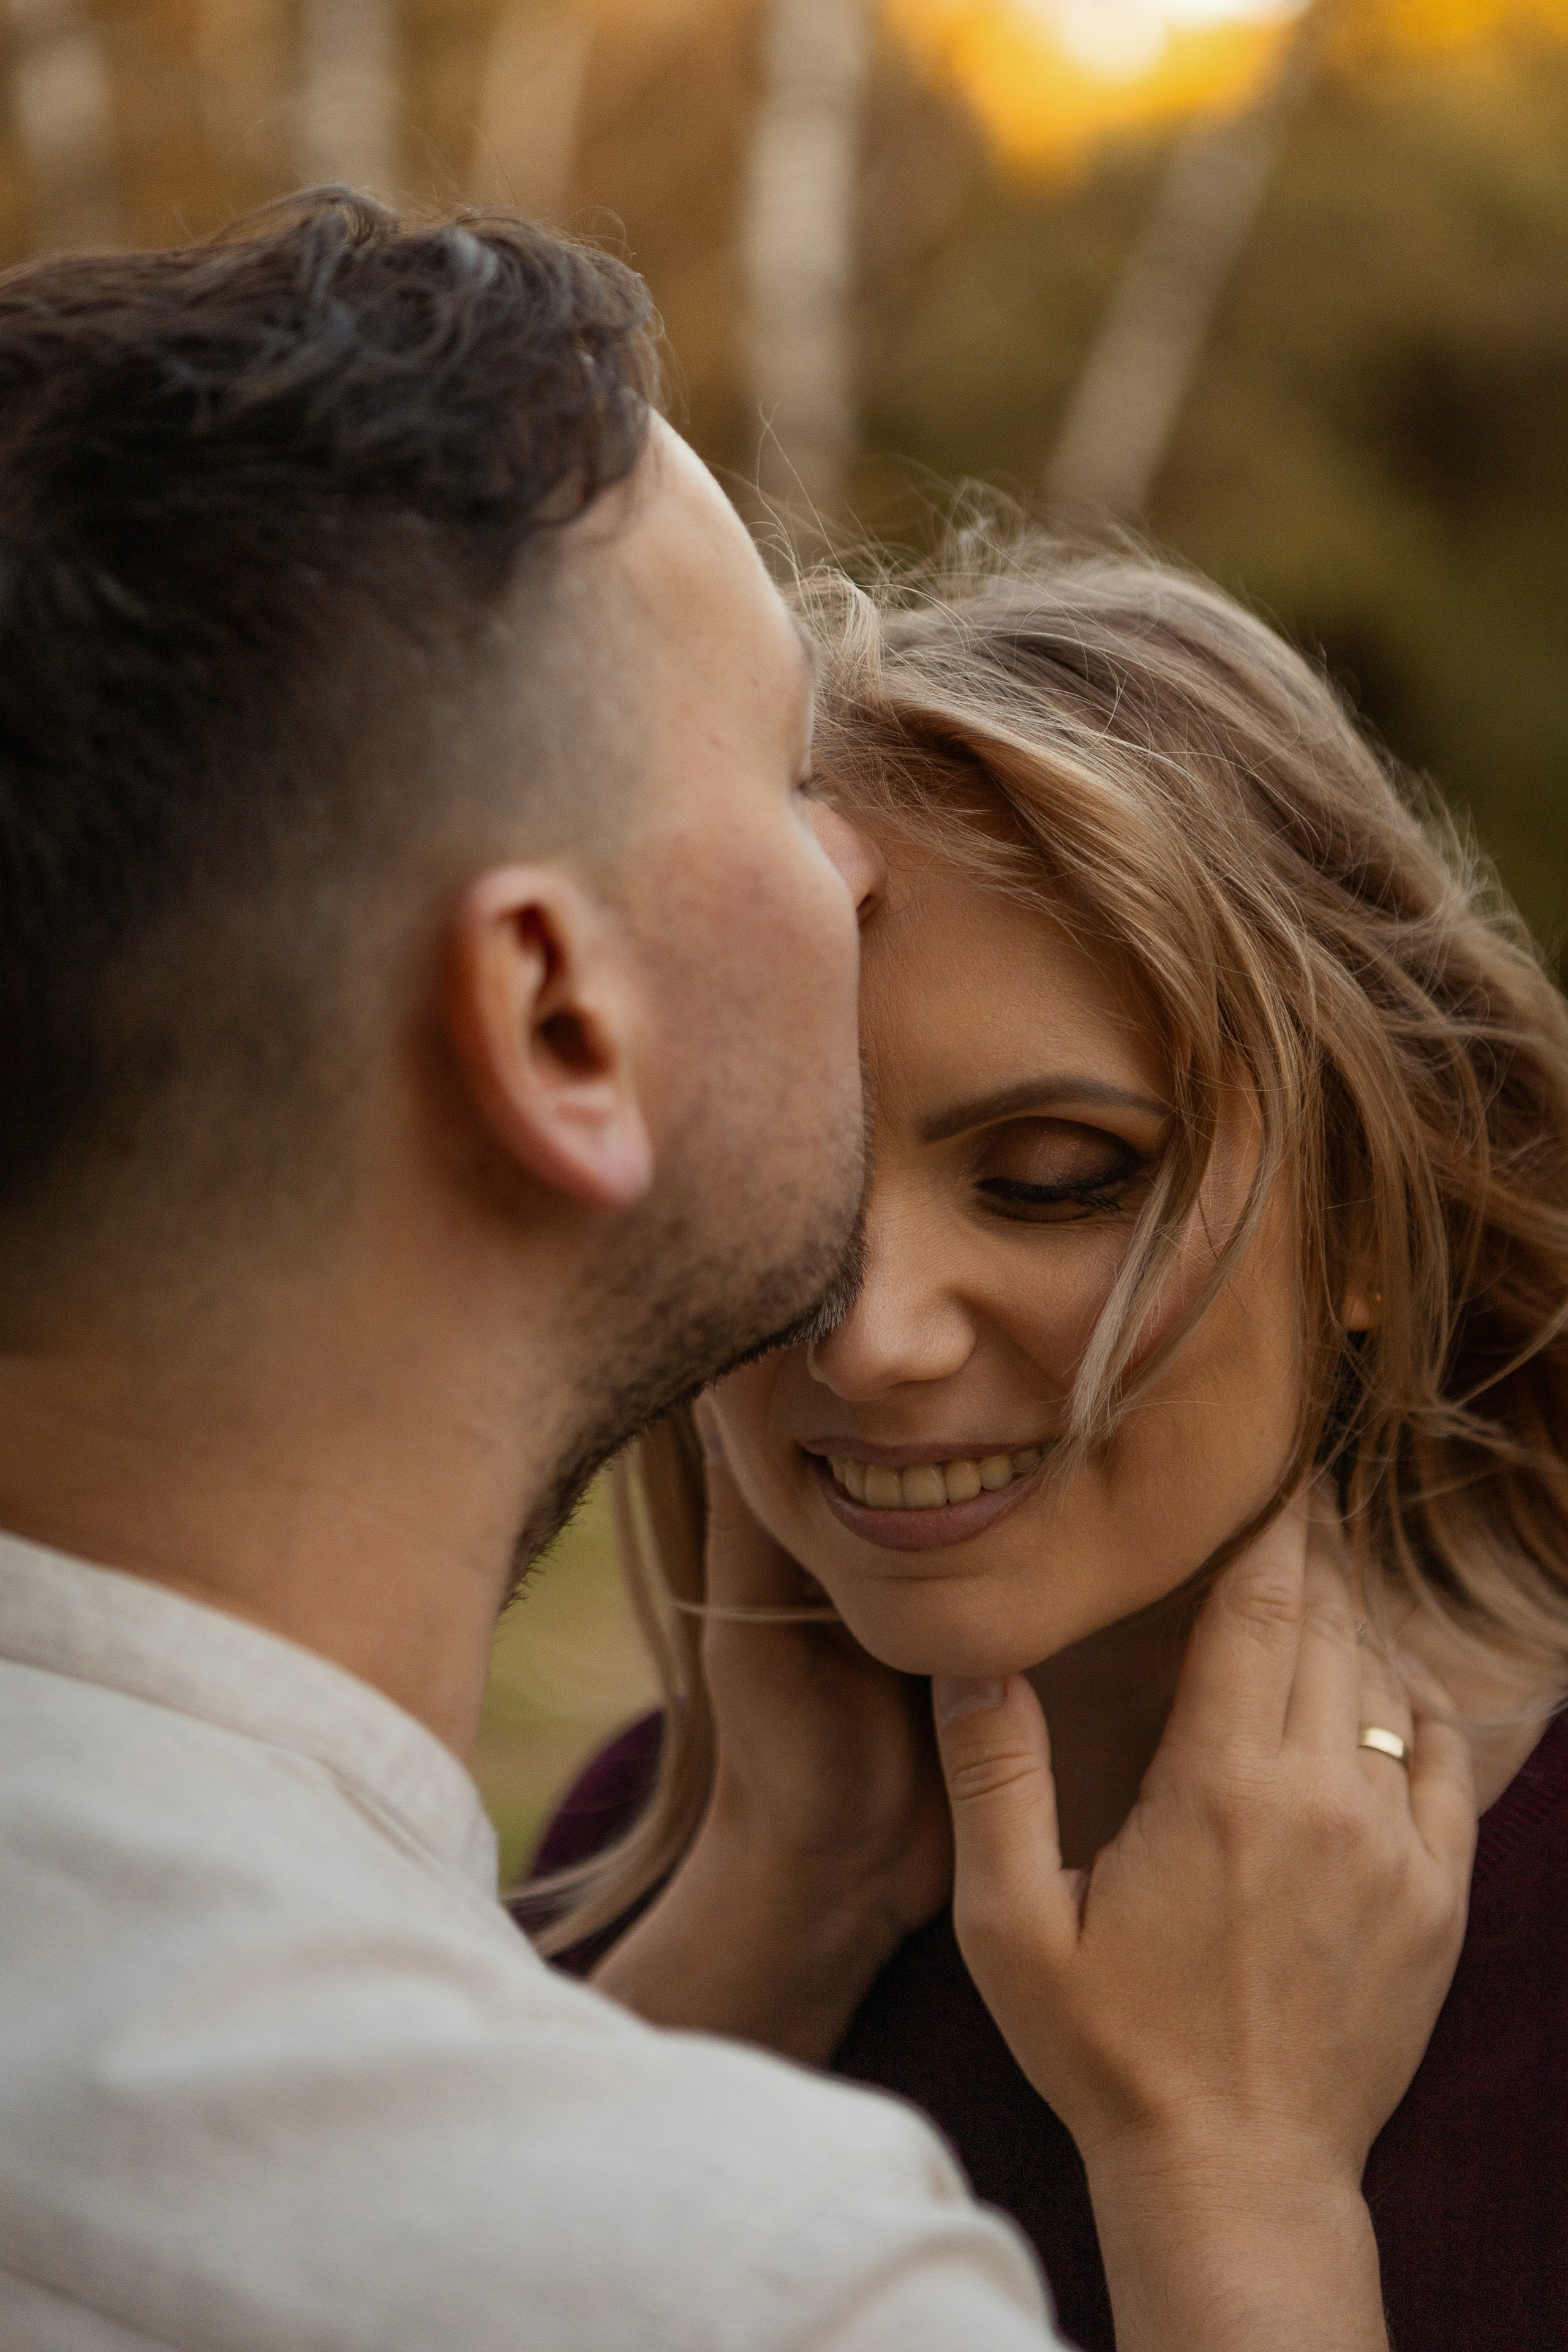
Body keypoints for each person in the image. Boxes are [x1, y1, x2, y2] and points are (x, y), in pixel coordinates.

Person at [0, 192, 1471, 2352]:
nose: (874, 1337)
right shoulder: (765, 2270)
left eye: (1061, 1172)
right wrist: (1228, 2198)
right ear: (562, 1023)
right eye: (788, 782)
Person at [527, 536, 1568, 2351]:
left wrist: (1228, 2176)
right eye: (783, 1194)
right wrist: (772, 1914)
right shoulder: (641, 1852)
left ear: (1368, 1227)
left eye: (1054, 1182)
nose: (870, 1335)